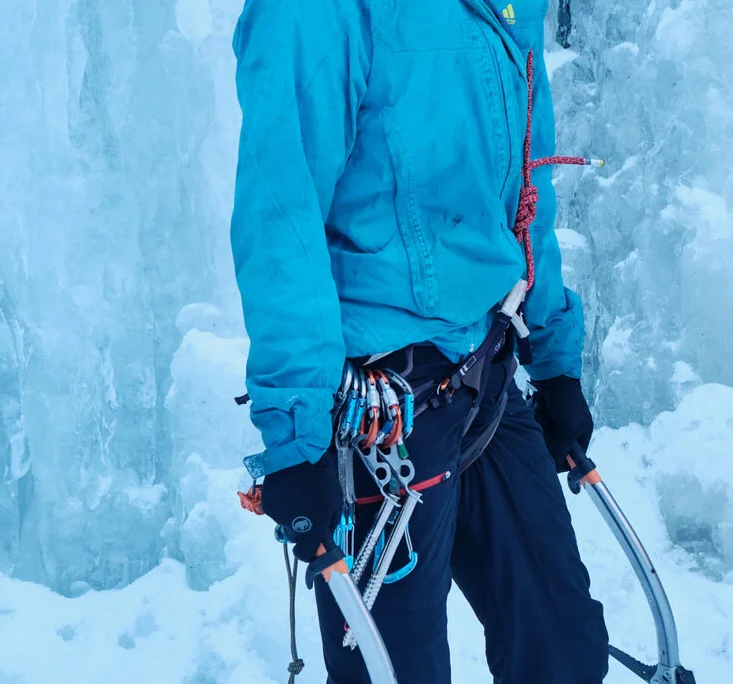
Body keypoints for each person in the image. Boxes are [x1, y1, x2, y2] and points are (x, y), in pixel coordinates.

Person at [230, 1, 609, 682]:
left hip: (487, 367)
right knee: (397, 672)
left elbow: (527, 188)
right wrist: (297, 441)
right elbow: (280, 214)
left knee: (562, 646)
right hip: (381, 414)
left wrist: (552, 361)